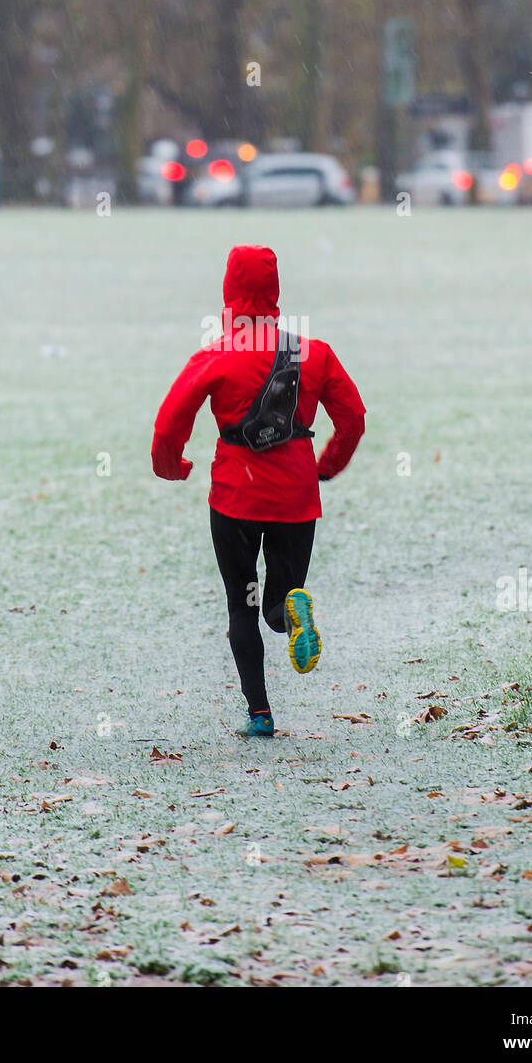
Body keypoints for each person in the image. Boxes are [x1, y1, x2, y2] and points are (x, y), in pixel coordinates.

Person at [151, 243, 365, 737]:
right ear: (275, 291)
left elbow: (168, 425)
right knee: (279, 598)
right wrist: (326, 468)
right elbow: (352, 418)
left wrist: (174, 468)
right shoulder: (313, 351)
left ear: (228, 290)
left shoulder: (215, 353)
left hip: (235, 498)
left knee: (240, 604)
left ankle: (260, 714)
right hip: (295, 494)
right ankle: (291, 615)